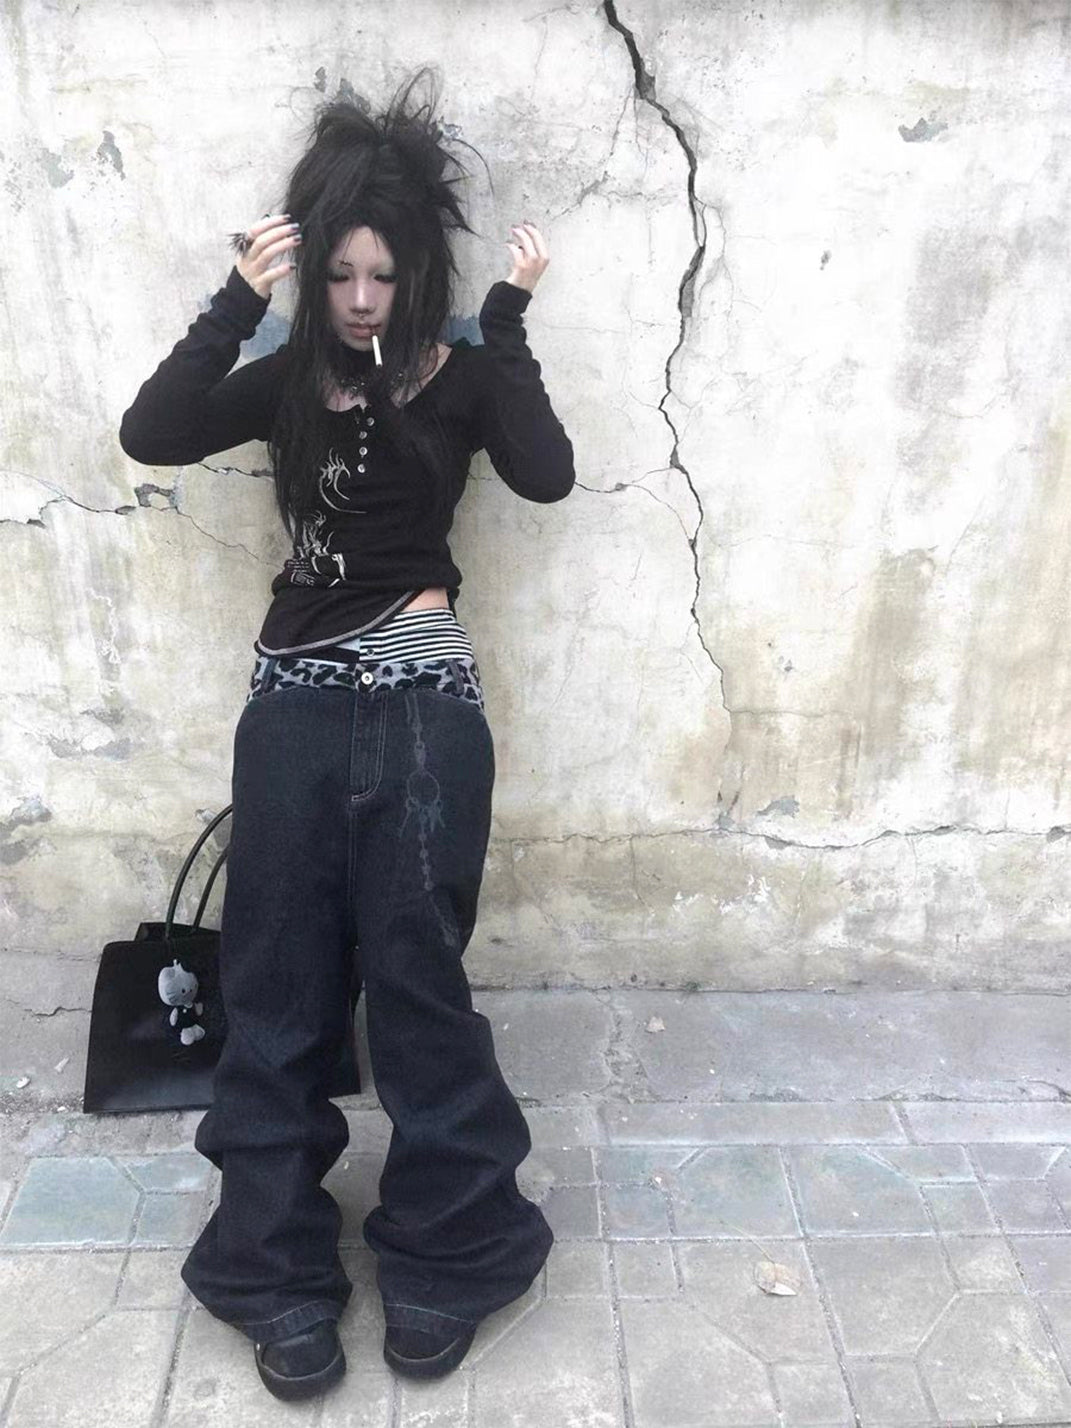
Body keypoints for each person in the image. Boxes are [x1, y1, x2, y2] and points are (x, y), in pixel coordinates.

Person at [118, 67, 575, 1403]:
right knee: (278, 984)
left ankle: (451, 1251)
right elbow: (151, 432)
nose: (364, 299)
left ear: (416, 272)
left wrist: (508, 327)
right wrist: (237, 302)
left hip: (426, 701)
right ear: (314, 273)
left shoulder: (463, 373)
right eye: (341, 276)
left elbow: (546, 474)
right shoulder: (282, 381)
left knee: (418, 982)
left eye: (384, 275)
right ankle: (272, 1265)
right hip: (297, 703)